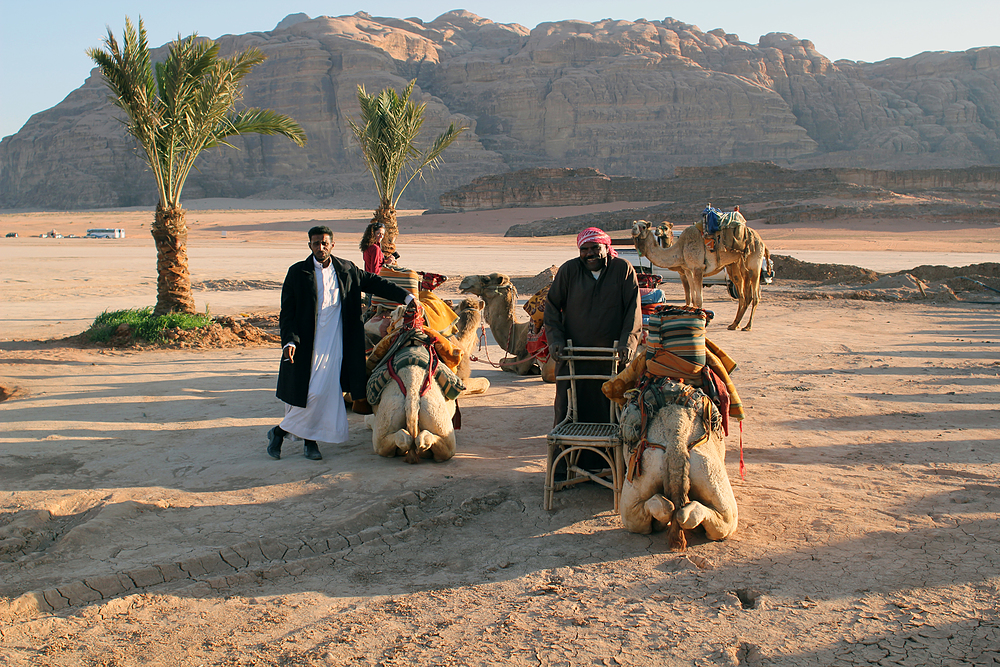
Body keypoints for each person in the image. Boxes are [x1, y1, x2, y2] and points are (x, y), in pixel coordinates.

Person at [267, 225, 417, 460]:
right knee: (311, 393)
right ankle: (284, 434)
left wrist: (406, 296)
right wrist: (289, 342)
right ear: (310, 245)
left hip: (336, 342)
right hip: (308, 345)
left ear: (332, 245)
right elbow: (288, 313)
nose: (321, 247)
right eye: (316, 243)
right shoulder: (297, 272)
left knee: (326, 393)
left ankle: (301, 440)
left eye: (325, 243)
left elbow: (376, 283)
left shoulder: (346, 269)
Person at [544, 227, 642, 426]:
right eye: (584, 249)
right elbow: (552, 307)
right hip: (573, 355)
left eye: (595, 248)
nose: (590, 253)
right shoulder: (569, 270)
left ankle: (612, 456)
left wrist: (628, 342)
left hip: (612, 355)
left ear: (606, 247)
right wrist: (555, 340)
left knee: (613, 409)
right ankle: (568, 454)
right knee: (568, 407)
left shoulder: (622, 269)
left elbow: (633, 310)